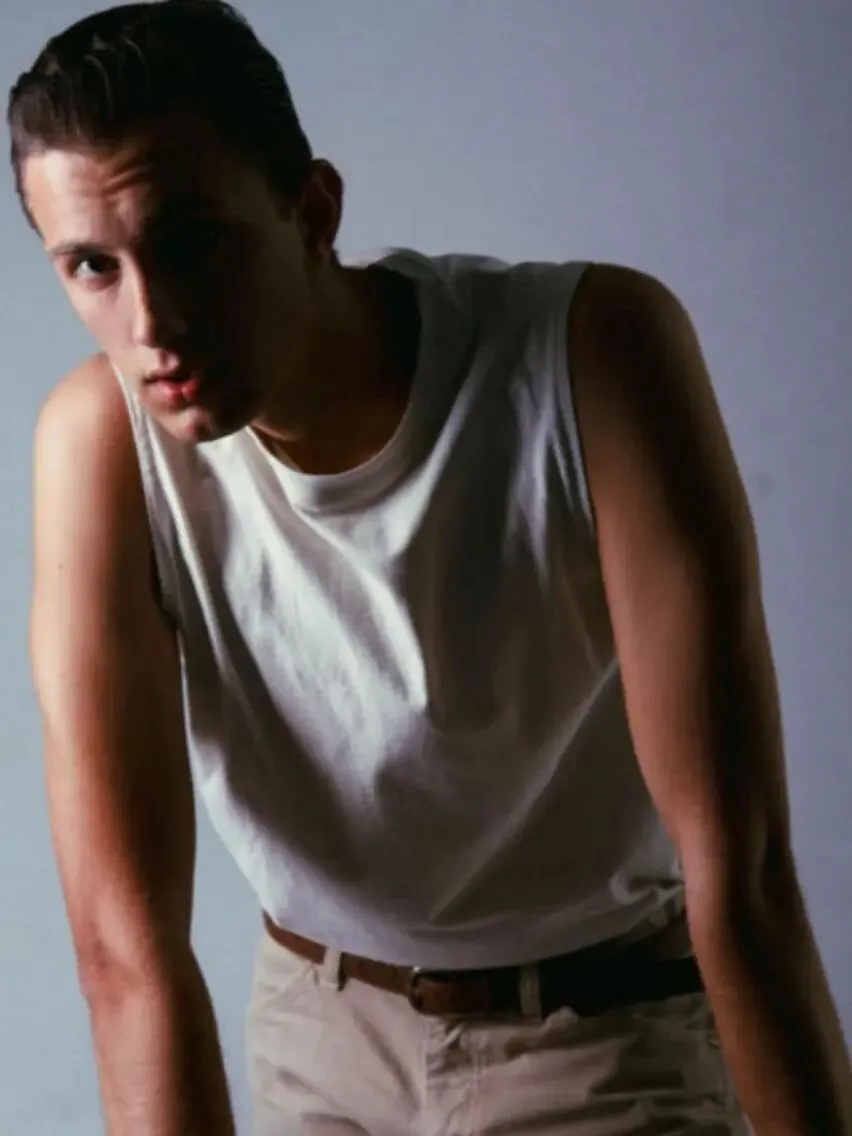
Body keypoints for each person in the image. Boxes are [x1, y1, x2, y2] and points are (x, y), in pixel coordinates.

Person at [9, 2, 851, 1133]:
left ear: (313, 210)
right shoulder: (100, 446)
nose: (151, 321)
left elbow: (739, 874)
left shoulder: (590, 356)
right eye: (92, 266)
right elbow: (124, 954)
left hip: (596, 1031)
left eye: (193, 242)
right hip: (320, 1029)